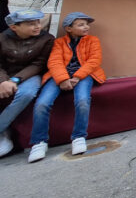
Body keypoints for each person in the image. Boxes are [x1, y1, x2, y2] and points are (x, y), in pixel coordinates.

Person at [28, 12, 106, 162]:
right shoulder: (59, 43)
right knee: (42, 103)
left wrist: (77, 76)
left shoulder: (93, 40)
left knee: (82, 100)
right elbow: (54, 62)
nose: (86, 27)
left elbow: (94, 61)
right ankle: (39, 142)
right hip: (59, 76)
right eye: (81, 24)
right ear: (68, 28)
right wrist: (63, 79)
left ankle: (79, 137)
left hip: (83, 75)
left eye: (86, 24)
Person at [0, 10, 54, 158]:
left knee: (27, 93)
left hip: (29, 75)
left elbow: (39, 64)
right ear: (14, 27)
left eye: (38, 22)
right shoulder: (3, 38)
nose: (37, 26)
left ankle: (1, 128)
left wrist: (15, 80)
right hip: (4, 75)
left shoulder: (47, 39)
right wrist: (3, 81)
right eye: (31, 24)